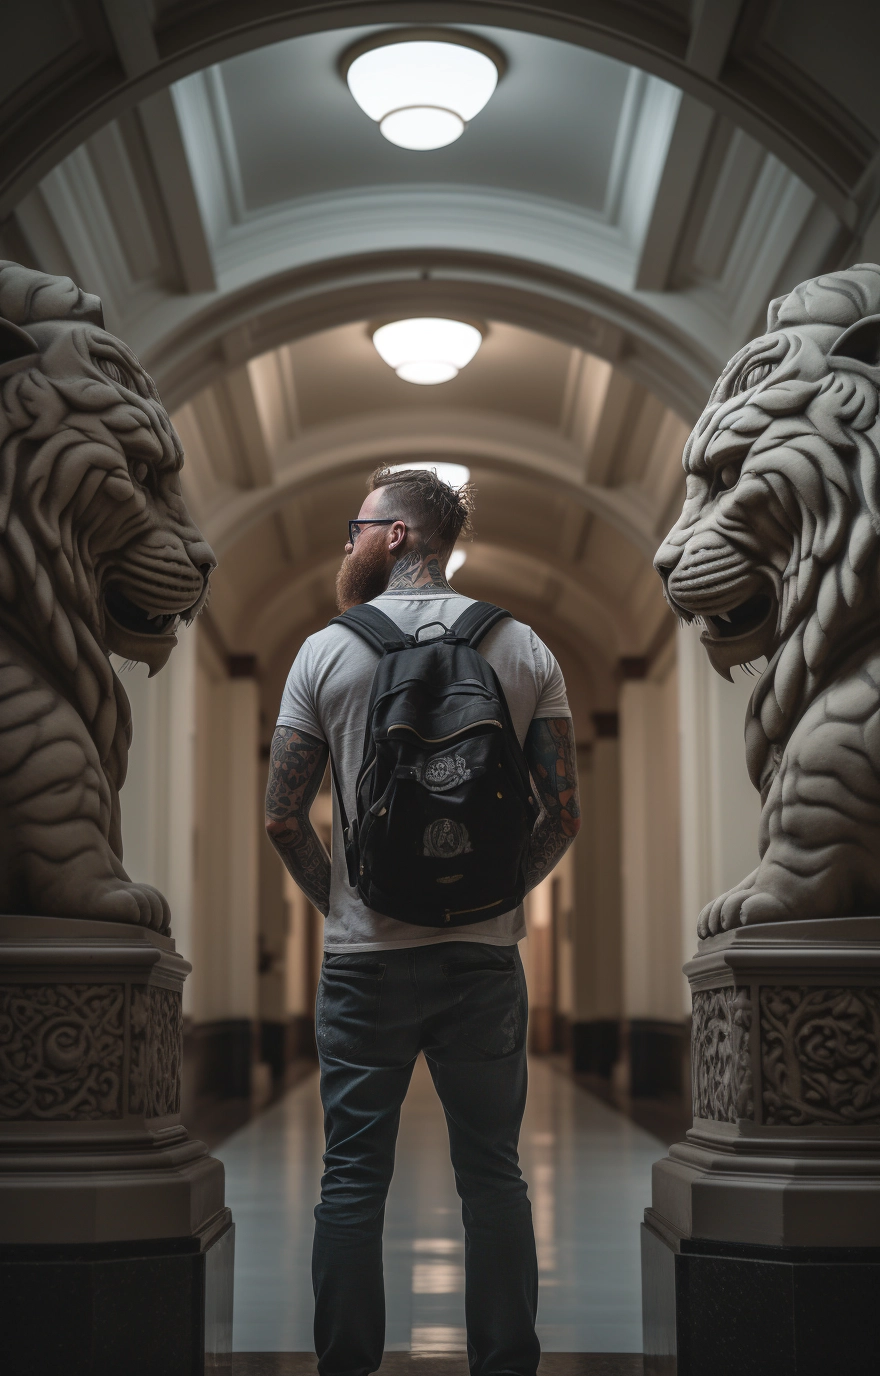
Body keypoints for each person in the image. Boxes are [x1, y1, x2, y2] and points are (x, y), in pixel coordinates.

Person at [265, 465, 581, 1376]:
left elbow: (284, 815)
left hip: (364, 963)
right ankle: (504, 1362)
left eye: (355, 527)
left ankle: (348, 1364)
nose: (347, 544)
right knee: (495, 1179)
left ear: (396, 534)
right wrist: (499, 897)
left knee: (353, 1179)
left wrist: (345, 902)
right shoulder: (523, 646)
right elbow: (561, 813)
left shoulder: (327, 650)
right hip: (483, 962)